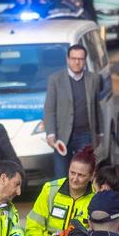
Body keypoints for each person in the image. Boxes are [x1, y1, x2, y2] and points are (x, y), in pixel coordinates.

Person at [43, 44, 103, 179]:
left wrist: (100, 132)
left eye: (81, 59)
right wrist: (51, 134)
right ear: (67, 59)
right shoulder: (55, 79)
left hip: (86, 134)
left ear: (85, 60)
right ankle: (62, 200)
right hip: (63, 136)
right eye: (73, 58)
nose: (77, 62)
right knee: (61, 175)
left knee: (85, 173)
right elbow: (49, 109)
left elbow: (96, 107)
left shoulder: (93, 79)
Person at [25, 147, 96, 236]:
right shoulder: (50, 190)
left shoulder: (96, 198)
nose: (75, 179)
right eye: (72, 173)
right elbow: (32, 227)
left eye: (81, 175)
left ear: (91, 176)